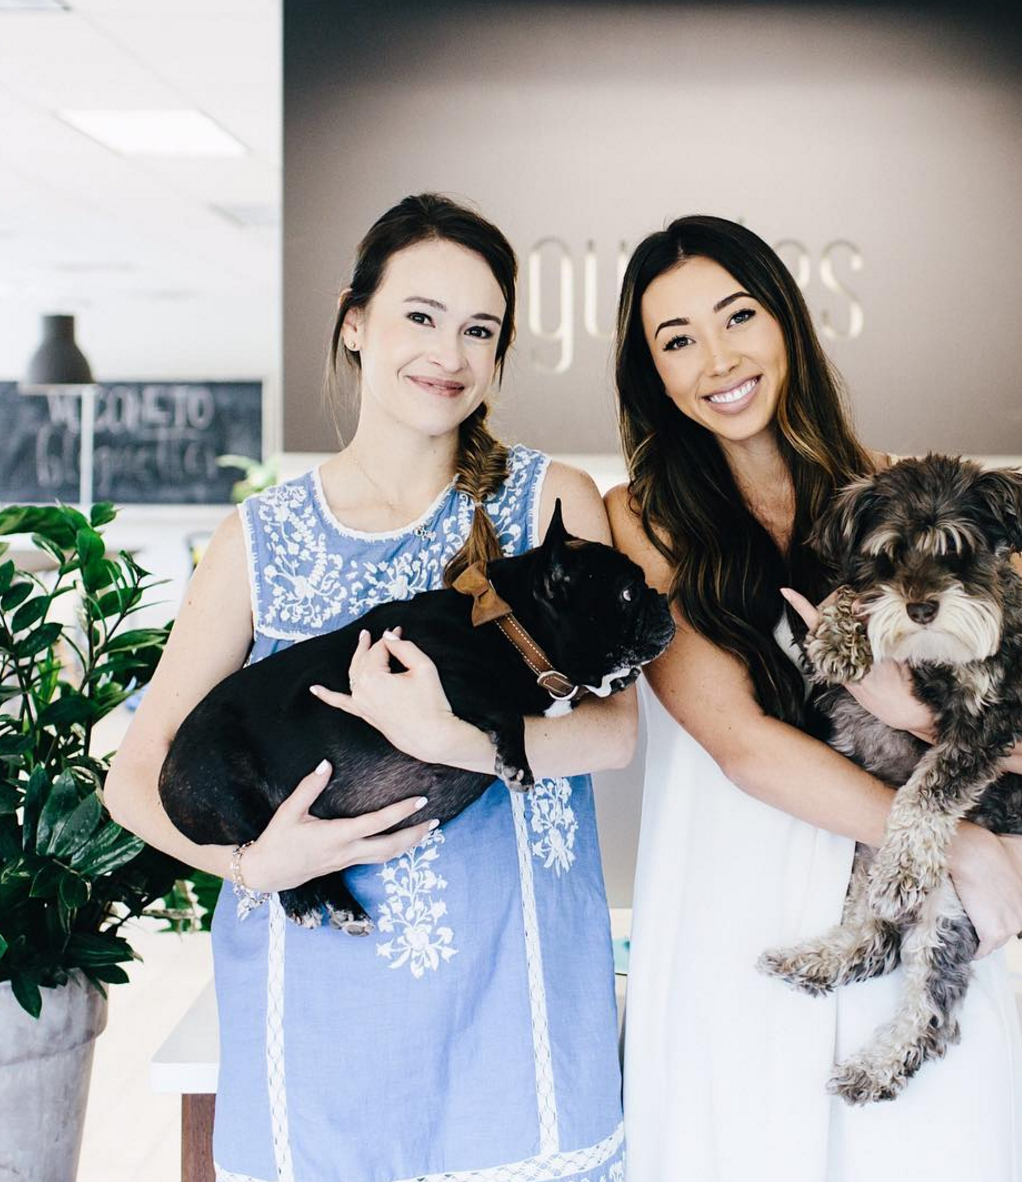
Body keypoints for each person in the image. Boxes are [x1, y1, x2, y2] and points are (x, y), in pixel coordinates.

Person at [106, 194, 632, 1182]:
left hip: (516, 1007)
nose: (449, 354)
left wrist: (453, 739)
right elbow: (133, 776)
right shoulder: (259, 540)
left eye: (479, 329)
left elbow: (612, 734)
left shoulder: (549, 502)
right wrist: (251, 865)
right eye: (420, 316)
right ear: (355, 323)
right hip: (320, 1018)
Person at [604, 214, 1022, 1181]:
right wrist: (957, 843)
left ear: (787, 321)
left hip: (919, 922)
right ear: (654, 376)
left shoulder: (922, 499)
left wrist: (916, 715)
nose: (718, 359)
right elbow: (743, 745)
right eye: (677, 340)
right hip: (735, 924)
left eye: (738, 317)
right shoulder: (643, 521)